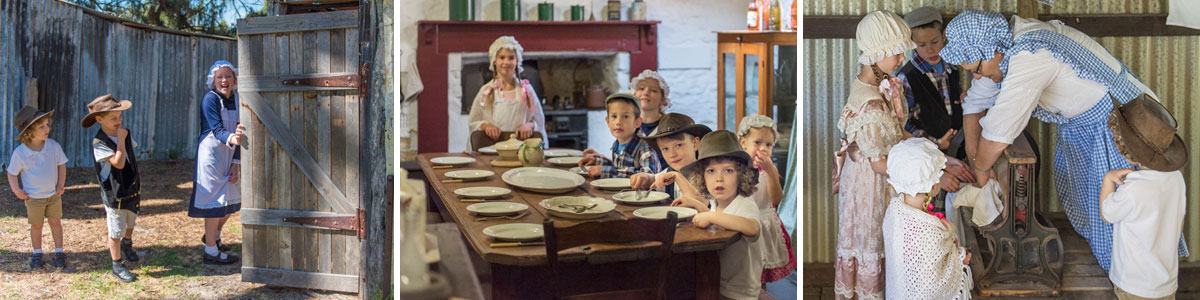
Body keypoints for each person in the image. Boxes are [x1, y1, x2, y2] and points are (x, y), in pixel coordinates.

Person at [939, 9, 1187, 271]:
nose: (976, 76)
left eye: (977, 69)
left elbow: (998, 135)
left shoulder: (1030, 56)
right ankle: (1117, 273)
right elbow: (976, 103)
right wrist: (975, 155)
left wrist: (980, 168)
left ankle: (1136, 281)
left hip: (1121, 126)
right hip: (1085, 122)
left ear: (991, 49)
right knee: (1096, 208)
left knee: (1127, 215)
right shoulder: (1003, 48)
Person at [830, 11, 913, 299]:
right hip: (870, 185)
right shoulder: (871, 105)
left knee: (870, 240)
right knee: (871, 238)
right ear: (877, 52)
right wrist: (919, 171)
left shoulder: (871, 87)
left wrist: (928, 150)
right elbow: (879, 163)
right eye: (895, 51)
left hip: (863, 178)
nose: (901, 57)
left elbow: (898, 133)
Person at [1100, 97, 1187, 300]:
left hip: (1134, 284)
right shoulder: (1176, 179)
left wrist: (1108, 178)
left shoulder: (1134, 188)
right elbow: (1179, 222)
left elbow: (1107, 213)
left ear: (1126, 149)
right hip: (1166, 282)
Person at [671, 130, 763, 300]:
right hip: (719, 282)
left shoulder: (745, 203)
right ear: (702, 176)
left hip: (739, 293)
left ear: (741, 175)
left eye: (728, 171)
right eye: (711, 171)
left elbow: (752, 227)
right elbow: (723, 222)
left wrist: (710, 217)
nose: (719, 179)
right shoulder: (717, 202)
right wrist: (698, 205)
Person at [882, 138, 973, 300]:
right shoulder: (928, 230)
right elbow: (930, 287)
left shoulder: (894, 212)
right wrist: (960, 258)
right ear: (933, 187)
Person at [188, 60, 244, 265]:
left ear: (234, 79)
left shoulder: (238, 100)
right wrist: (233, 138)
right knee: (214, 204)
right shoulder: (209, 100)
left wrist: (236, 162)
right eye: (220, 77)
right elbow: (216, 129)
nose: (224, 81)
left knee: (230, 203)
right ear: (213, 81)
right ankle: (210, 251)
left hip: (229, 155)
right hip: (211, 157)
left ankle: (214, 236)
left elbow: (241, 130)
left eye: (228, 76)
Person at [83, 94, 142, 283]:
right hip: (114, 193)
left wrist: (123, 138)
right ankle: (117, 265)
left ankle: (128, 245)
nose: (119, 121)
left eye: (120, 117)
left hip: (131, 187)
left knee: (131, 220)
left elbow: (131, 155)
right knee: (116, 230)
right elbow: (118, 162)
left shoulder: (123, 133)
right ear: (99, 119)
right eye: (113, 118)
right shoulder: (99, 142)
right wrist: (121, 140)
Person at [6, 106, 68, 270]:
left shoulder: (53, 146)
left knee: (55, 222)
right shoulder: (20, 153)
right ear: (29, 132)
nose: (47, 128)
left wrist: (61, 184)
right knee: (37, 225)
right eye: (41, 126)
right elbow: (11, 173)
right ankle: (37, 252)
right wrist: (17, 190)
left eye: (47, 124)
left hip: (54, 195)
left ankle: (59, 252)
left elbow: (62, 165)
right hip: (33, 198)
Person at [736, 114, 796, 283]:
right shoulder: (735, 169)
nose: (763, 148)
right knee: (743, 272)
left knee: (760, 273)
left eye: (768, 145)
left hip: (764, 225)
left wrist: (770, 172)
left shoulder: (771, 170)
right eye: (757, 143)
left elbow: (776, 199)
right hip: (742, 224)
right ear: (743, 142)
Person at [466, 36, 547, 151]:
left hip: (520, 149)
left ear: (517, 61)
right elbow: (473, 121)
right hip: (493, 149)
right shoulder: (486, 91)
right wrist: (485, 125)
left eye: (511, 58)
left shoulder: (526, 90)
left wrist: (530, 125)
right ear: (494, 61)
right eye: (502, 57)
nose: (506, 62)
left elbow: (539, 119)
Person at [578, 93, 663, 179]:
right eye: (614, 116)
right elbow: (618, 167)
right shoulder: (617, 143)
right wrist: (597, 161)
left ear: (637, 122)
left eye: (625, 116)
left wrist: (604, 170)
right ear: (608, 121)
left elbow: (647, 175)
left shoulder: (645, 146)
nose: (618, 122)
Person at [635, 113, 710, 198]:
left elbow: (699, 202)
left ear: (695, 143)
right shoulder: (669, 172)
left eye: (678, 145)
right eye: (665, 149)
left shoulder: (707, 174)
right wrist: (645, 177)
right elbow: (652, 179)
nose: (672, 155)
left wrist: (677, 177)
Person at [630, 70, 673, 168]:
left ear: (663, 99)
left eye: (653, 90)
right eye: (641, 88)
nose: (646, 93)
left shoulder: (670, 127)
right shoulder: (628, 126)